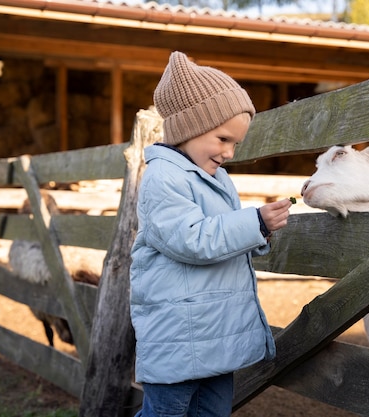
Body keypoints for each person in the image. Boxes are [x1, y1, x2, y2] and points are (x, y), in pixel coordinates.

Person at [130, 51, 292, 417]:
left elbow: (225, 239)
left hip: (216, 336)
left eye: (236, 144)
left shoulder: (217, 178)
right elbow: (192, 239)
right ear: (189, 128)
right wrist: (255, 223)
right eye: (223, 139)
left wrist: (260, 234)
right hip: (179, 339)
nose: (229, 152)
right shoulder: (162, 179)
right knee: (166, 413)